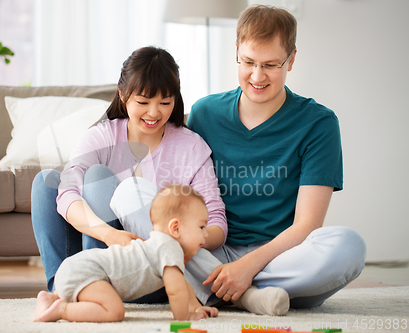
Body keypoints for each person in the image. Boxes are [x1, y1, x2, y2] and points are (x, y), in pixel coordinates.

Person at [184, 5, 367, 311]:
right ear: (237, 52)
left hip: (283, 256)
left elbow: (307, 224)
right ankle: (251, 296)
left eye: (270, 64)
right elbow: (185, 197)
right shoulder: (204, 113)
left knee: (349, 246)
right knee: (142, 203)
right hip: (215, 250)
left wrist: (247, 268)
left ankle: (225, 287)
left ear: (291, 59)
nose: (257, 76)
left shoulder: (318, 123)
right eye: (248, 62)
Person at [31, 46, 226, 304]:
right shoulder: (102, 137)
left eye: (165, 103)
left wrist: (183, 241)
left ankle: (95, 292)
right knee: (45, 183)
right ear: (123, 95)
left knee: (97, 177)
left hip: (151, 271)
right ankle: (63, 290)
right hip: (105, 253)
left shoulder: (191, 147)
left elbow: (217, 224)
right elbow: (66, 193)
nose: (154, 113)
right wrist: (109, 235)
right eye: (143, 102)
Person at [34, 184, 219, 322]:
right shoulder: (170, 248)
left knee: (99, 296)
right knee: (114, 311)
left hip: (77, 267)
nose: (205, 233)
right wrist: (185, 317)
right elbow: (176, 291)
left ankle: (51, 296)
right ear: (175, 228)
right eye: (201, 226)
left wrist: (196, 308)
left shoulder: (159, 246)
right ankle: (62, 309)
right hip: (89, 271)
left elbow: (182, 283)